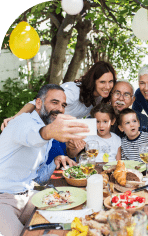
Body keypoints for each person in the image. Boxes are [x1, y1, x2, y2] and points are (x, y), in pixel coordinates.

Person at [0, 84, 89, 236]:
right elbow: (33, 136)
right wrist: (50, 131)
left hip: (28, 196)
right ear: (39, 103)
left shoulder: (45, 132)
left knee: (71, 222)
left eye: (63, 105)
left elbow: (38, 178)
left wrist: (55, 162)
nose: (60, 109)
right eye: (54, 102)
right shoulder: (22, 122)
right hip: (3, 200)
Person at [1, 61, 117, 161]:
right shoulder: (73, 91)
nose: (107, 86)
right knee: (55, 166)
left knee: (69, 164)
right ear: (93, 81)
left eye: (110, 81)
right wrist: (15, 118)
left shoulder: (100, 97)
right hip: (47, 128)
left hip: (63, 131)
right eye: (102, 82)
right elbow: (36, 102)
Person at [109, 80, 148, 148]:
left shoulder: (143, 120)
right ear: (110, 96)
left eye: (126, 95)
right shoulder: (99, 117)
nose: (121, 98)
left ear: (132, 100)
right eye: (117, 93)